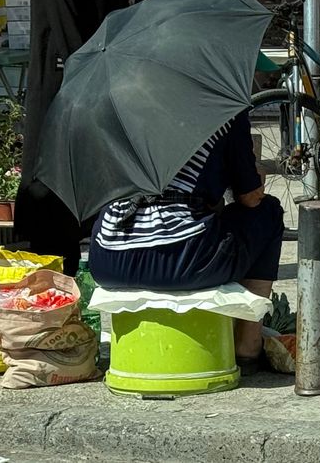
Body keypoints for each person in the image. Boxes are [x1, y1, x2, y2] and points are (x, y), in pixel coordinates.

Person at [16, 0, 137, 275]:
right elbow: (68, 29)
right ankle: (49, 311)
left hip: (101, 84)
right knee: (58, 198)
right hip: (70, 92)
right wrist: (98, 81)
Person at [88, 111, 285, 371]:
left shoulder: (124, 113)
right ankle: (247, 345)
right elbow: (249, 197)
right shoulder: (222, 109)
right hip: (182, 259)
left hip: (108, 255)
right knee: (267, 211)